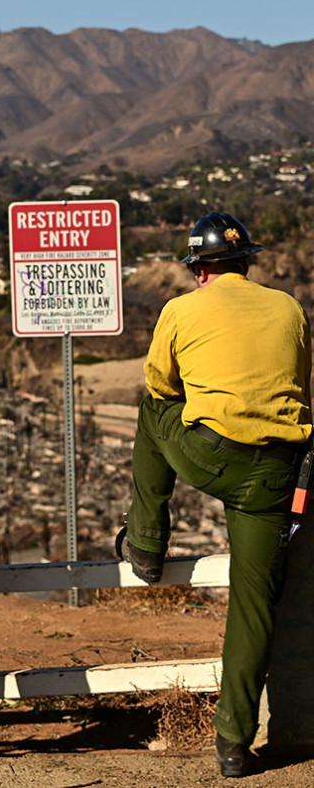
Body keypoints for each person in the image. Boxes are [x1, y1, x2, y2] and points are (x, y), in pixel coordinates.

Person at [117, 213, 312, 778]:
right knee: (255, 607)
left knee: (153, 408)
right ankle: (232, 743)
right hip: (276, 470)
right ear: (246, 263)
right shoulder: (290, 308)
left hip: (214, 457)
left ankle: (147, 541)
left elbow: (159, 385)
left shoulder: (180, 309)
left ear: (199, 270)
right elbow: (302, 385)